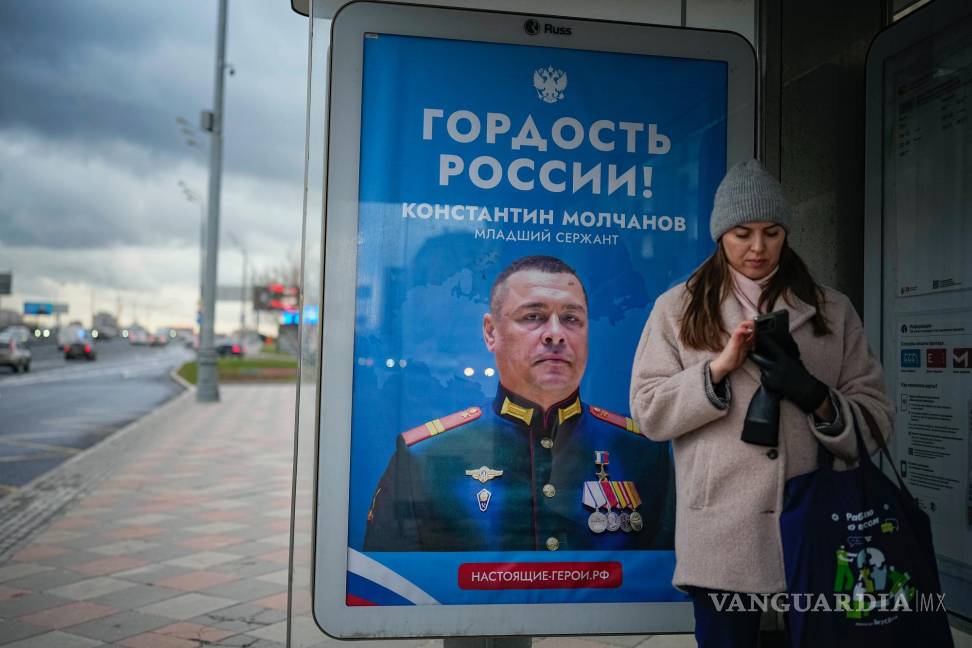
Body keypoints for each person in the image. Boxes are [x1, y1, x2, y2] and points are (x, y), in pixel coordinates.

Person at [629, 160, 893, 647]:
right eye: (741, 233)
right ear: (719, 236)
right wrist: (716, 370)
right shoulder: (677, 308)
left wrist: (816, 398)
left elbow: (877, 421)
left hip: (819, 536)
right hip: (721, 536)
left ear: (786, 233)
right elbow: (648, 412)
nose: (757, 247)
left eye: (771, 232)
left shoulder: (833, 310)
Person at [365, 255, 675, 552]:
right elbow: (390, 589)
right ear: (490, 332)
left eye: (571, 318)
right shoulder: (423, 456)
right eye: (533, 317)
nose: (555, 334)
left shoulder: (639, 450)